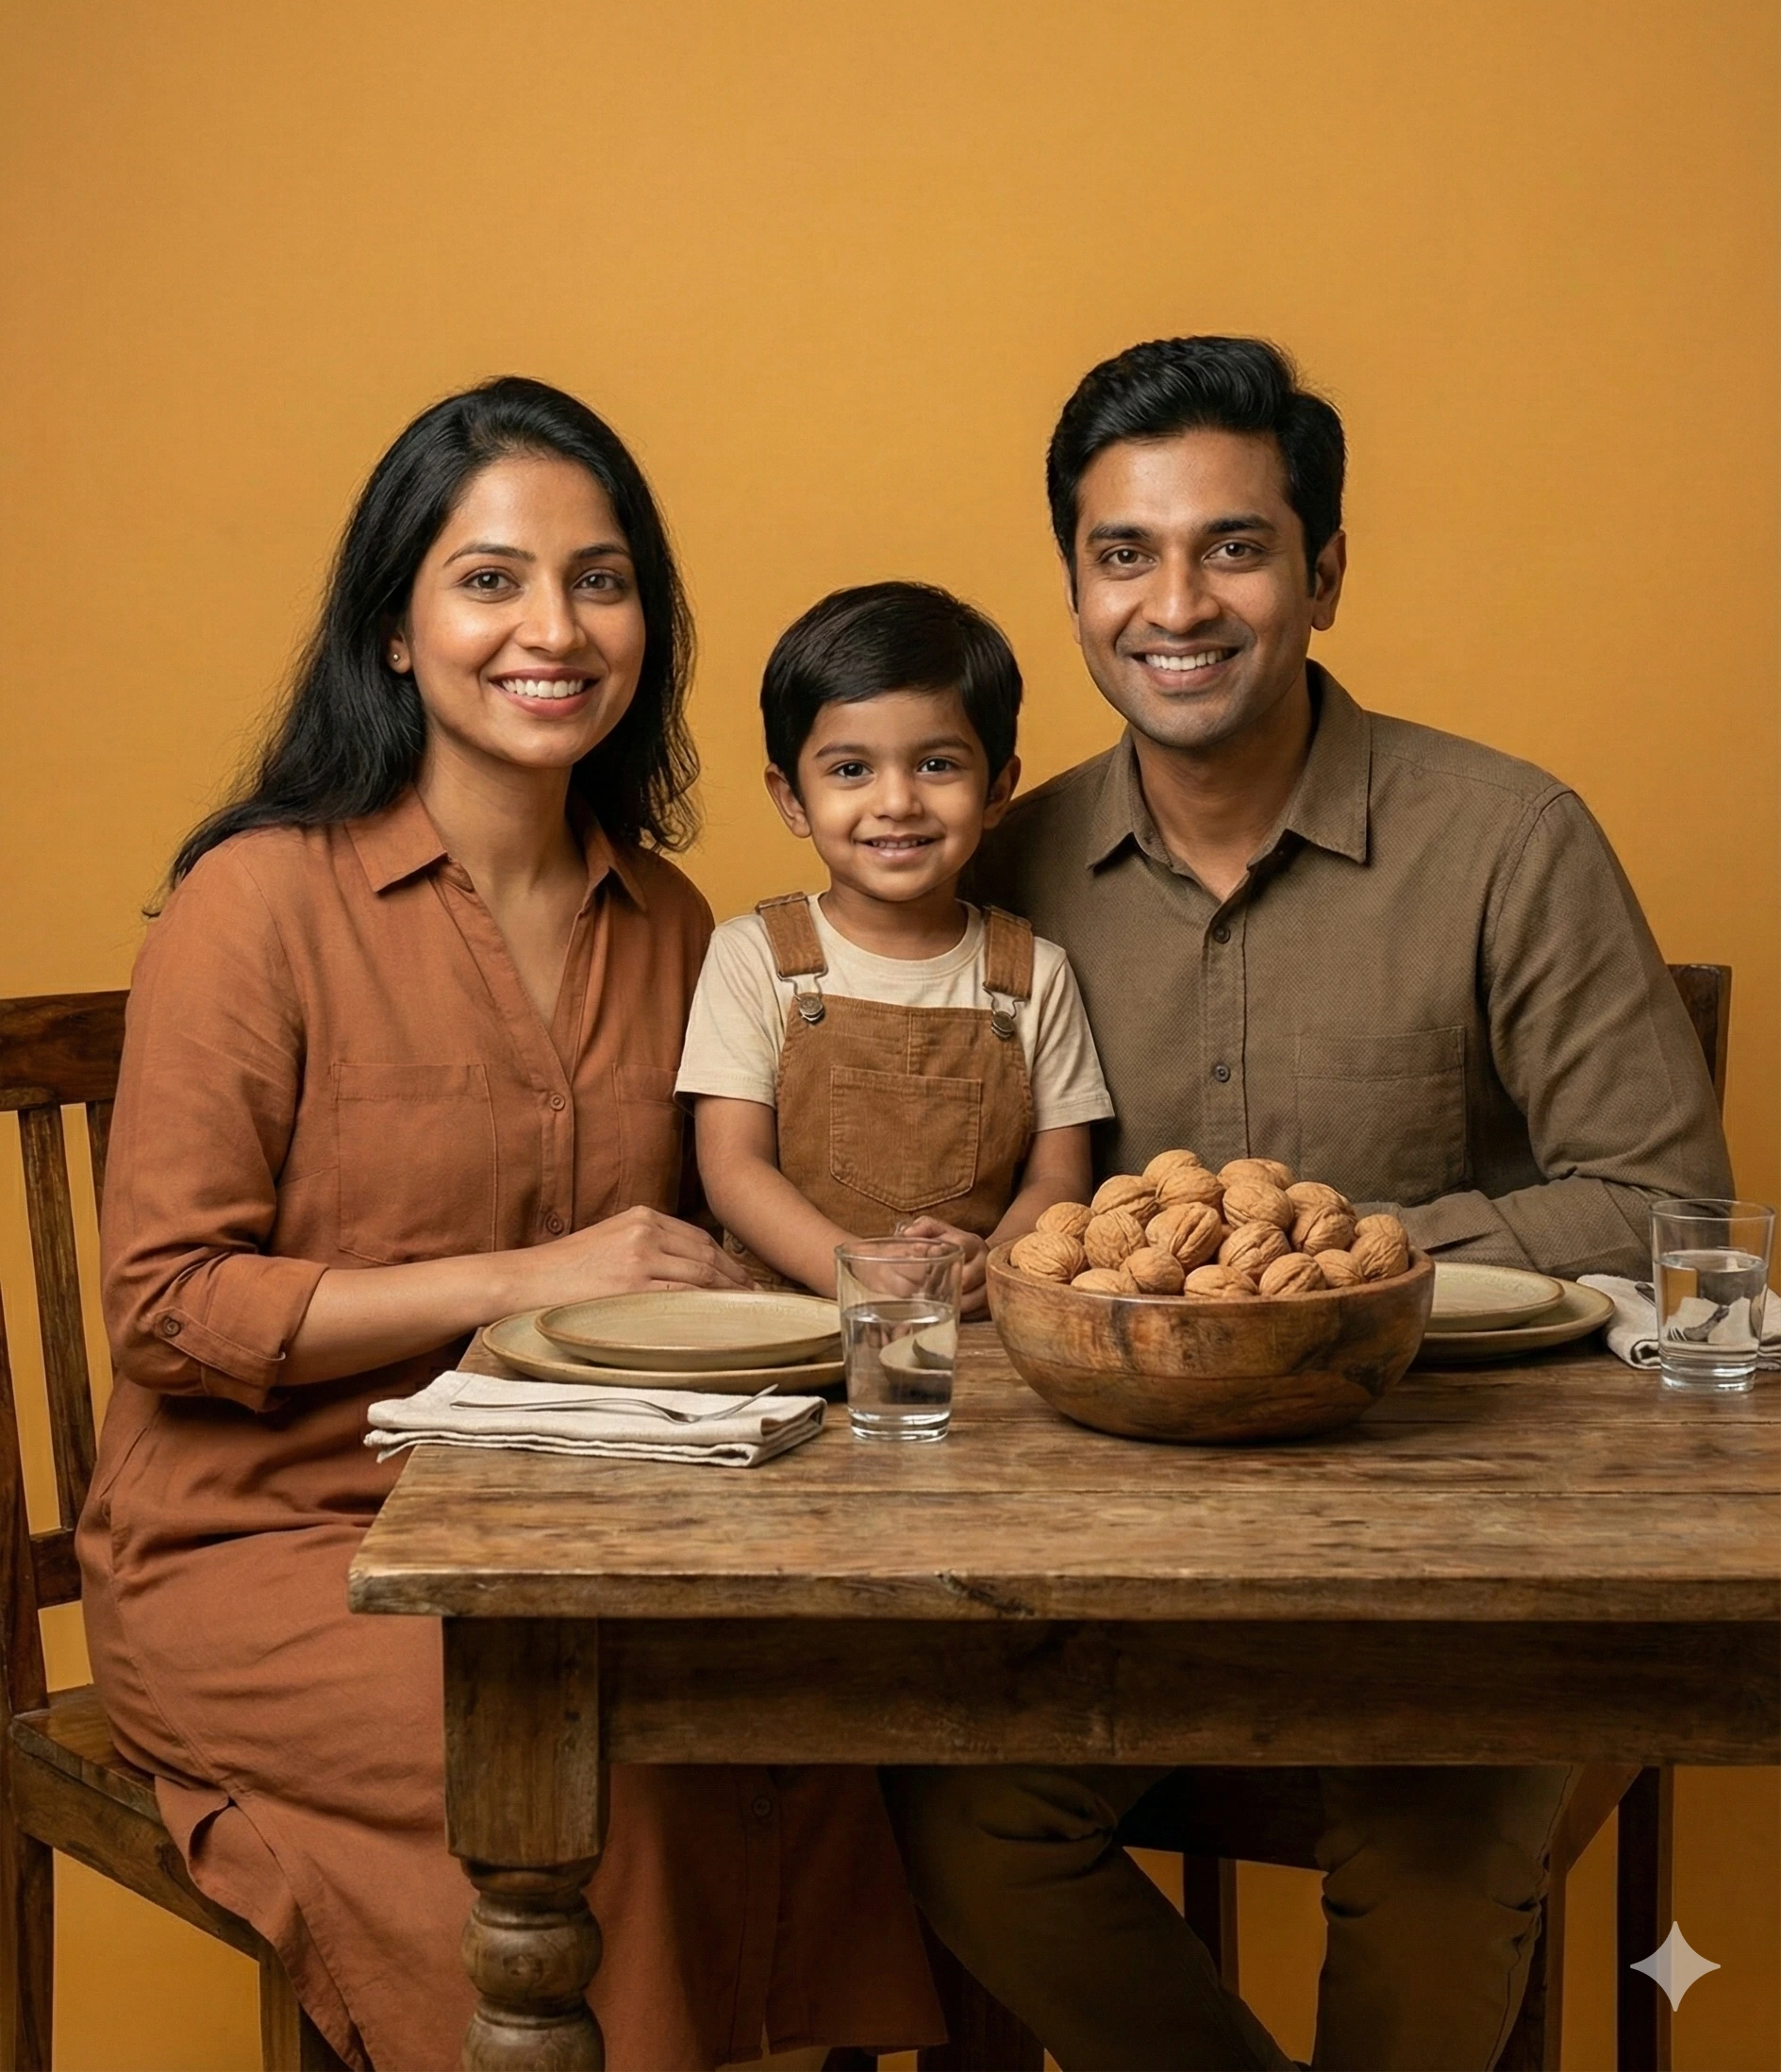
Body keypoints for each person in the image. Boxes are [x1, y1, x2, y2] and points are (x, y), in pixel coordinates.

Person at [886, 338, 1735, 2070]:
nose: (1173, 602)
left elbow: (1667, 1206)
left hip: (1455, 1546)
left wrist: (1359, 1262)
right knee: (953, 1826)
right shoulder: (1006, 875)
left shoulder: (1505, 840)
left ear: (1321, 573)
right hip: (1106, 1558)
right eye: (1122, 553)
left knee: (1429, 1888)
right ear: (1070, 586)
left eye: (1235, 546)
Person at [78, 379, 943, 2072]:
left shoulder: (674, 918)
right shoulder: (254, 902)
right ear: (394, 630)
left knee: (834, 1721)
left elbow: (705, 1264)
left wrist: (882, 1263)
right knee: (597, 1770)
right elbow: (166, 1307)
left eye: (599, 580)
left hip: (578, 1541)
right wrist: (528, 1279)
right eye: (489, 580)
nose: (551, 627)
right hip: (274, 1556)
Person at [676, 581, 1113, 1313]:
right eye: (851, 770)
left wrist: (993, 1265)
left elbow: (1060, 1180)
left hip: (965, 1338)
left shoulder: (1035, 974)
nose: (897, 802)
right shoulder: (752, 957)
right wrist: (857, 1276)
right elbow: (733, 1169)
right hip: (778, 1326)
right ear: (792, 798)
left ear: (998, 788)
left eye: (937, 764)